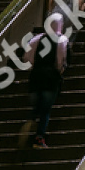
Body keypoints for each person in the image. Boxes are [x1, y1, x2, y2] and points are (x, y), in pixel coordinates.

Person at [21, 14, 69, 148]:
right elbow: (61, 59)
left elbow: (26, 57)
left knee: (36, 106)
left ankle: (30, 119)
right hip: (50, 79)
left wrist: (34, 67)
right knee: (45, 110)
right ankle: (39, 137)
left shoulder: (36, 39)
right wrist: (60, 70)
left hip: (35, 77)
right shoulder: (62, 39)